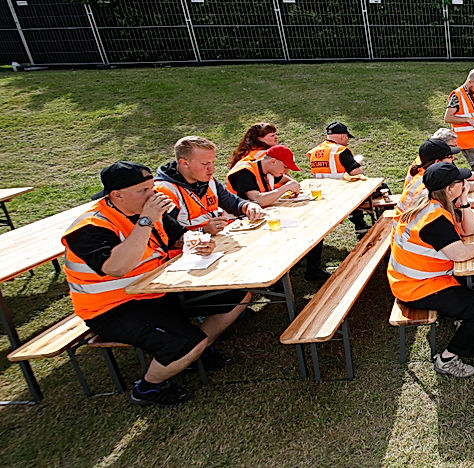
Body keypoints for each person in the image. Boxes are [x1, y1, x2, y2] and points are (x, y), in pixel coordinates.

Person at [63, 162, 253, 407]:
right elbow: (117, 267)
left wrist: (196, 242)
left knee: (236, 296)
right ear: (116, 195)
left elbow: (178, 238)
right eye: (143, 190)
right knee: (186, 343)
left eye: (151, 187)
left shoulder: (151, 211)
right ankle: (149, 387)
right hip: (113, 307)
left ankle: (199, 351)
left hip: (157, 290)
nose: (152, 194)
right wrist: (145, 221)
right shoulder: (91, 227)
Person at [387, 162, 474, 379]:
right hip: (417, 287)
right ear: (448, 188)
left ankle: (463, 319)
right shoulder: (434, 219)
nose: (465, 183)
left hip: (420, 277)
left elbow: (468, 230)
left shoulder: (435, 202)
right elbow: (460, 255)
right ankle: (447, 359)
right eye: (460, 182)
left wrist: (464, 200)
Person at [154, 136, 266, 235]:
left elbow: (233, 203)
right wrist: (203, 231)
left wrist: (248, 206)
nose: (212, 168)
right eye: (205, 163)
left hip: (215, 242)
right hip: (187, 252)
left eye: (213, 162)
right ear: (184, 163)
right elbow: (170, 236)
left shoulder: (208, 179)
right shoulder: (164, 190)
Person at [306, 121, 374, 240]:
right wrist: (357, 163)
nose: (347, 141)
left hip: (323, 192)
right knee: (381, 188)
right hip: (344, 192)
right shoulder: (340, 150)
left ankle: (360, 223)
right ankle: (366, 223)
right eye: (347, 137)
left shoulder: (314, 151)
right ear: (343, 136)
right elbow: (356, 173)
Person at [399, 138, 474, 215]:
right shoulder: (430, 183)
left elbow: (451, 203)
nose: (453, 159)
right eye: (450, 157)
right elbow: (455, 219)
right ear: (437, 162)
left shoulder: (429, 173)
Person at [225, 144, 304, 207]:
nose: (286, 171)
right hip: (235, 221)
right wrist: (286, 188)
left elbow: (289, 181)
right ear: (273, 161)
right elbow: (258, 200)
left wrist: (293, 185)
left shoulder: (268, 169)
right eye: (285, 167)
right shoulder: (244, 172)